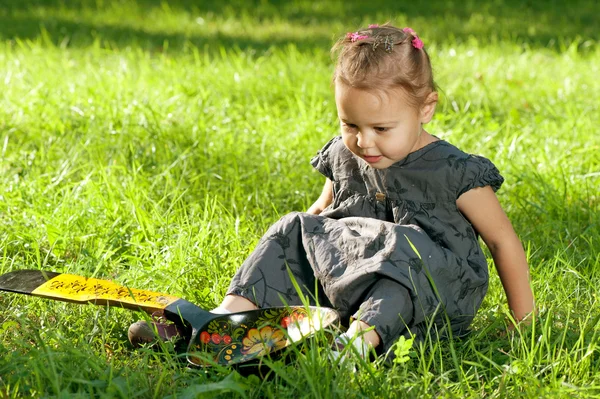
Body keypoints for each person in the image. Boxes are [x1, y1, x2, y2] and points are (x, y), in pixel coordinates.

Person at [130, 24, 535, 362]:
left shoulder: (454, 171)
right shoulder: (347, 153)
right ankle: (223, 324)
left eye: (381, 128)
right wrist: (302, 247)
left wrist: (525, 325)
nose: (364, 142)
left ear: (425, 109)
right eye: (350, 125)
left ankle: (352, 349)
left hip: (427, 289)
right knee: (293, 227)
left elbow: (503, 242)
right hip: (352, 275)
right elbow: (324, 209)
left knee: (402, 250)